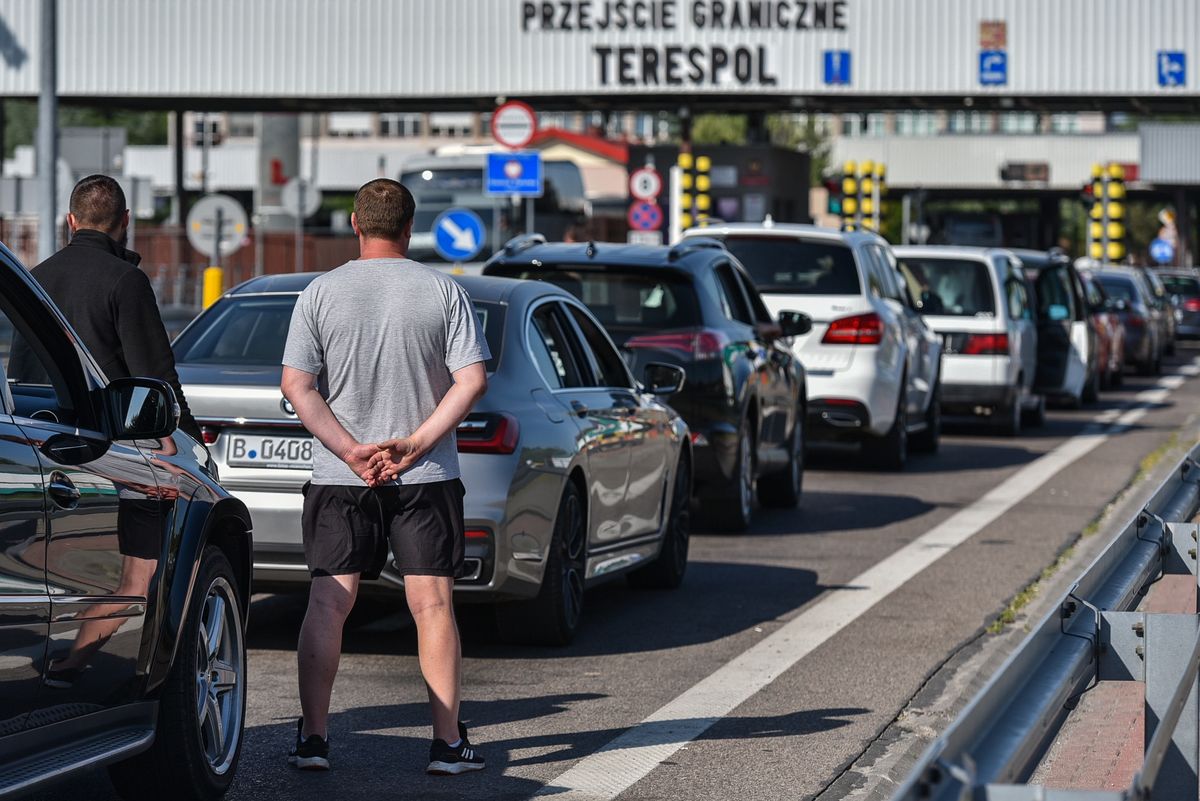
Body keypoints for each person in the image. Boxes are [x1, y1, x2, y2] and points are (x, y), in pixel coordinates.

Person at [280, 178, 489, 775]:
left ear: (354, 223)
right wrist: (418, 442)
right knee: (432, 606)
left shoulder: (320, 292)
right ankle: (447, 744)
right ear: (409, 227)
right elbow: (471, 379)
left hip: (339, 476)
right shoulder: (442, 291)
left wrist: (350, 450)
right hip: (424, 474)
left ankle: (314, 740)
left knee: (328, 602)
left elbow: (297, 385)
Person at [13, 174, 202, 442]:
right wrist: (193, 444)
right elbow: (156, 376)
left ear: (71, 221)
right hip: (106, 443)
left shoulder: (35, 278)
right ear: (125, 219)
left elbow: (21, 367)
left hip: (40, 435)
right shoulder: (126, 280)